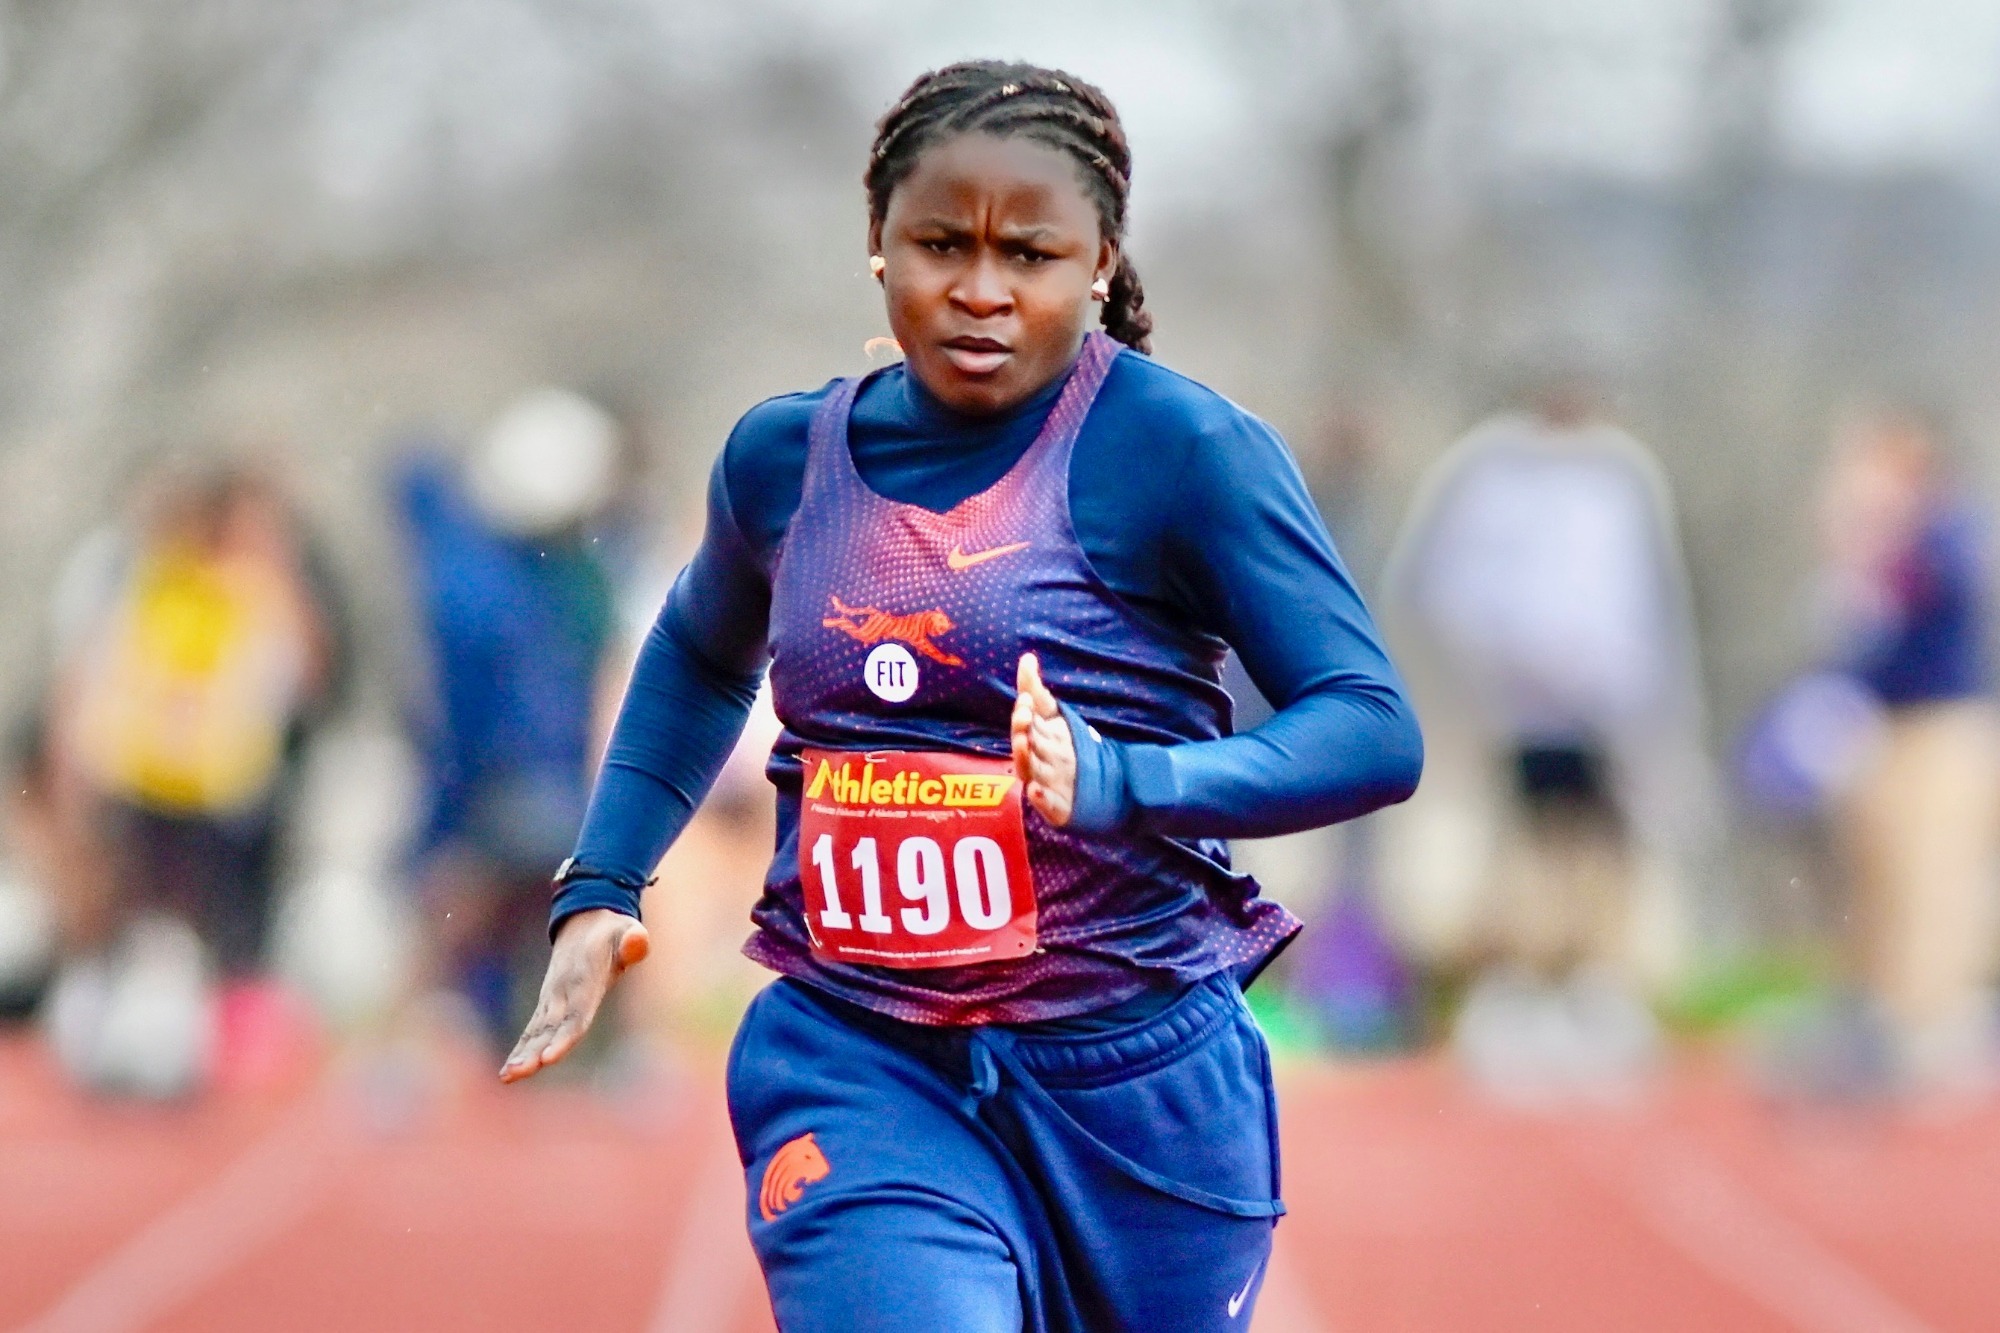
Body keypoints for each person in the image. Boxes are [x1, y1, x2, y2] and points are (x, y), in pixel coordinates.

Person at [501, 63, 1421, 1331]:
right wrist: (603, 884)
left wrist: (1124, 782)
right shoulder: (784, 458)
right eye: (940, 244)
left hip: (1137, 1079)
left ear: (1098, 263)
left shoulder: (1179, 451)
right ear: (876, 246)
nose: (980, 291)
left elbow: (1367, 725)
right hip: (858, 1048)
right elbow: (699, 655)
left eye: (1029, 255)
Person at [1384, 378, 1712, 1098]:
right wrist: (1512, 658)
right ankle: (1523, 984)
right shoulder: (1493, 474)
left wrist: (1631, 690)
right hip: (1516, 703)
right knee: (1529, 844)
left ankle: (1593, 982)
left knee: (1598, 845)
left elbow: (1643, 597)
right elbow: (1446, 584)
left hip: (1606, 703)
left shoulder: (1619, 476)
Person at [393, 388, 623, 1051]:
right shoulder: (522, 583)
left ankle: (459, 1023)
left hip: (519, 781)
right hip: (526, 781)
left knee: (476, 906)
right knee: (483, 907)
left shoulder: (511, 579)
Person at [1815, 407, 1997, 1094]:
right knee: (1878, 877)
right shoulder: (1878, 545)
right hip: (1883, 724)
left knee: (1936, 878)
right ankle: (1886, 1014)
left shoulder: (1945, 531)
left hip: (1944, 723)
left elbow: (1927, 602)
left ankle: (1937, 1023)